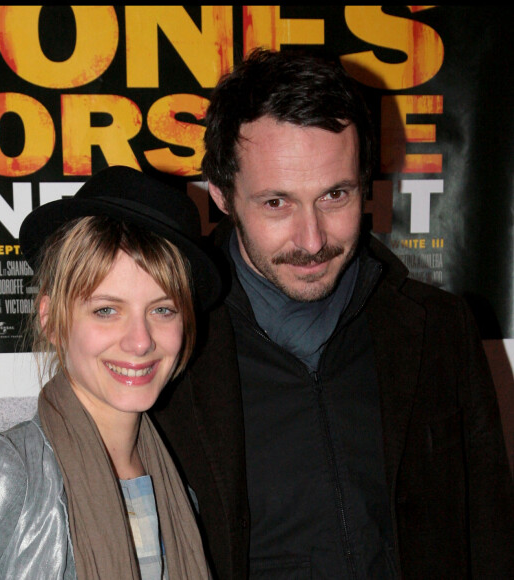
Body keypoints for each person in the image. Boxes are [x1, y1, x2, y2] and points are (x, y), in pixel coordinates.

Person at [150, 48, 514, 579]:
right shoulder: (171, 345)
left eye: (335, 195)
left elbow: (491, 537)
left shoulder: (439, 327)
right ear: (223, 195)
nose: (313, 239)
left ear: (365, 184)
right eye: (277, 203)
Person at [0, 166, 219, 579]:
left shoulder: (177, 493)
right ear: (52, 320)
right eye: (107, 310)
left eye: (162, 309)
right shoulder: (4, 476)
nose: (140, 341)